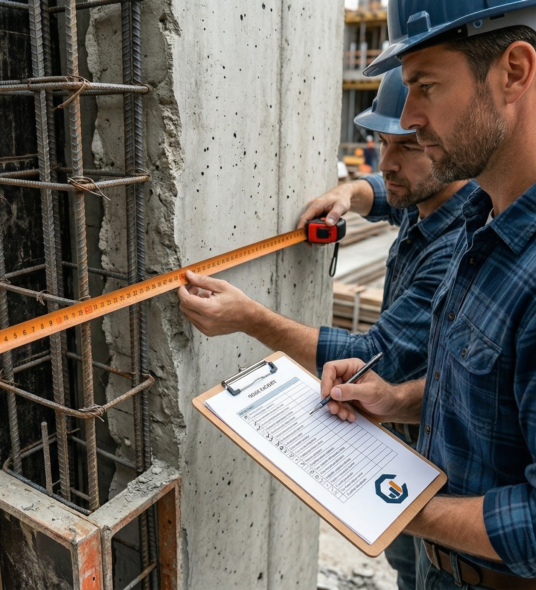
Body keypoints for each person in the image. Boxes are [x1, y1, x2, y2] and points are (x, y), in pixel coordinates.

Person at [322, 2, 536, 590]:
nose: (409, 118)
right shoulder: (490, 216)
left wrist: (389, 502)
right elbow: (493, 390)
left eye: (425, 86)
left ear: (514, 71)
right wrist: (395, 399)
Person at [177, 70, 475, 590]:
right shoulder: (428, 199)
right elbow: (389, 191)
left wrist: (252, 319)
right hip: (403, 433)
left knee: (423, 567)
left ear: (448, 144)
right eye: (383, 142)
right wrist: (351, 193)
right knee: (407, 566)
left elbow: (374, 356)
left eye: (407, 146)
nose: (387, 162)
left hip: (436, 460)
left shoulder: (458, 246)